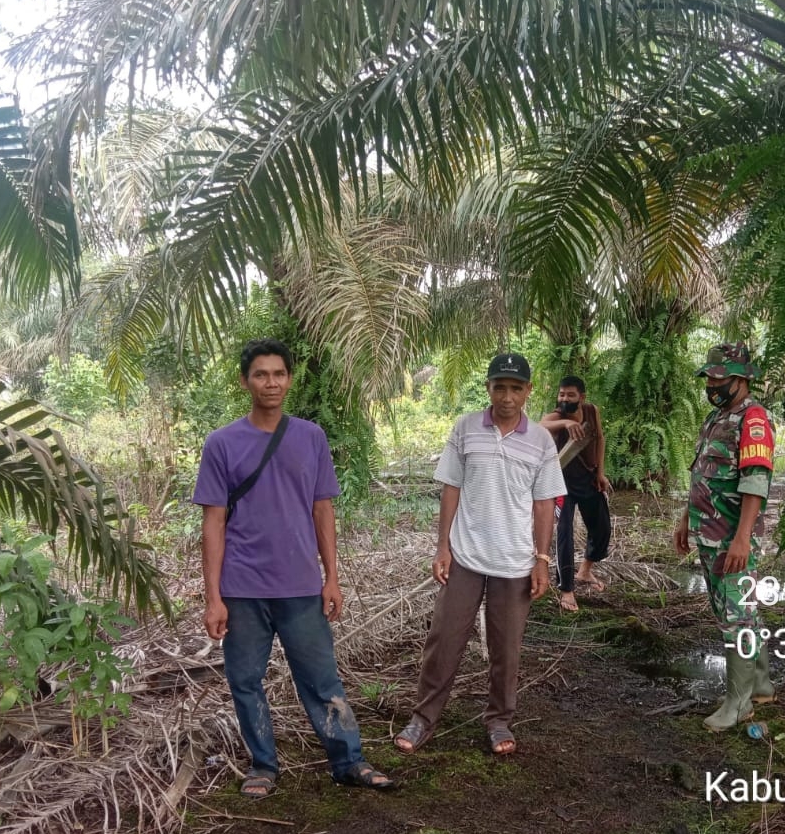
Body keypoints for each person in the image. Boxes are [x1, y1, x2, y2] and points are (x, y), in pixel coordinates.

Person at [193, 338, 392, 796]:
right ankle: (262, 766)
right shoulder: (222, 443)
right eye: (261, 374)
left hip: (301, 586)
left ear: (290, 378)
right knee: (245, 680)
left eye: (279, 374)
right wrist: (213, 597)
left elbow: (323, 509)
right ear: (245, 381)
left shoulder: (310, 437)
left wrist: (332, 577)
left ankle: (348, 761)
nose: (271, 382)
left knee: (322, 680)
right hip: (242, 587)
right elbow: (214, 522)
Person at [394, 352, 566, 756]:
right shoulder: (466, 428)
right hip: (466, 557)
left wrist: (542, 560)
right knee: (444, 639)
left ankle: (499, 720)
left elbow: (544, 503)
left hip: (515, 562)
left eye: (516, 388)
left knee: (507, 647)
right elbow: (451, 487)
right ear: (488, 388)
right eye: (499, 387)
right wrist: (442, 547)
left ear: (528, 391)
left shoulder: (541, 441)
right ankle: (423, 718)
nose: (507, 396)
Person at [674, 342, 778, 732]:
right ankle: (762, 684)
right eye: (709, 377)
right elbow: (700, 473)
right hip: (709, 533)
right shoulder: (717, 417)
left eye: (720, 378)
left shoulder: (753, 420)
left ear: (741, 379)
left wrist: (742, 539)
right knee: (738, 610)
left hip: (733, 538)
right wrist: (686, 520)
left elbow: (755, 484)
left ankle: (739, 702)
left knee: (736, 617)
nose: (712, 384)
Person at [540, 375, 611, 613]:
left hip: (589, 478)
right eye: (561, 394)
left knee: (601, 527)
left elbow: (599, 439)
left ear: (582, 397)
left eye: (570, 395)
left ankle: (585, 571)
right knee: (564, 534)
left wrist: (601, 473)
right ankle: (567, 589)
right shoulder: (556, 416)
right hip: (563, 484)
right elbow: (539, 425)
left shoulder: (591, 411)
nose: (564, 399)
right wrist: (565, 425)